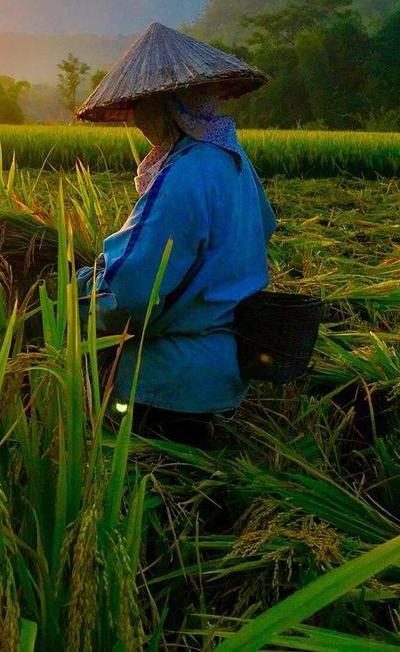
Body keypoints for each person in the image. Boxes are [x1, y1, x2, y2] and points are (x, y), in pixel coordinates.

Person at [73, 23, 276, 444]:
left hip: (165, 385)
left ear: (172, 106)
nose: (138, 119)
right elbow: (265, 225)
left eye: (143, 106)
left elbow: (131, 288)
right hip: (223, 371)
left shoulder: (182, 174)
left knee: (150, 494)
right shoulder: (233, 161)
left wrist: (74, 296)